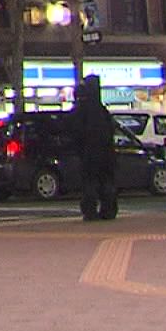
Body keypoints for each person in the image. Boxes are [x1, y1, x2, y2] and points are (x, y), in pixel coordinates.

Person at [74, 74, 119, 221]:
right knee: (106, 181)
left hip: (89, 153)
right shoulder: (102, 110)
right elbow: (111, 129)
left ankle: (90, 211)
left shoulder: (83, 110)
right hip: (106, 153)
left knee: (90, 182)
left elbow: (76, 130)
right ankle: (109, 210)